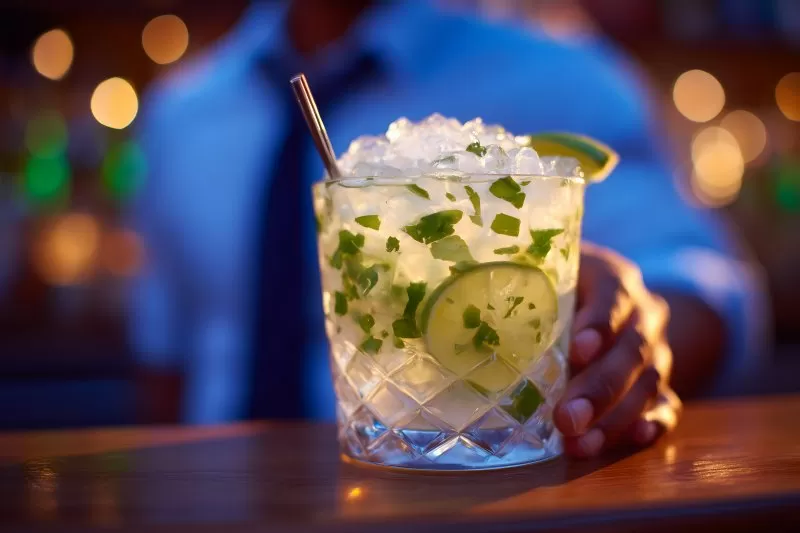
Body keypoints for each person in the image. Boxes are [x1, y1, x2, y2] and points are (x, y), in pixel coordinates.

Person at [130, 0, 768, 458]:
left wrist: (633, 328)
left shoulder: (560, 71)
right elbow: (167, 365)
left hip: (474, 499)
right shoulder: (181, 111)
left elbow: (705, 279)